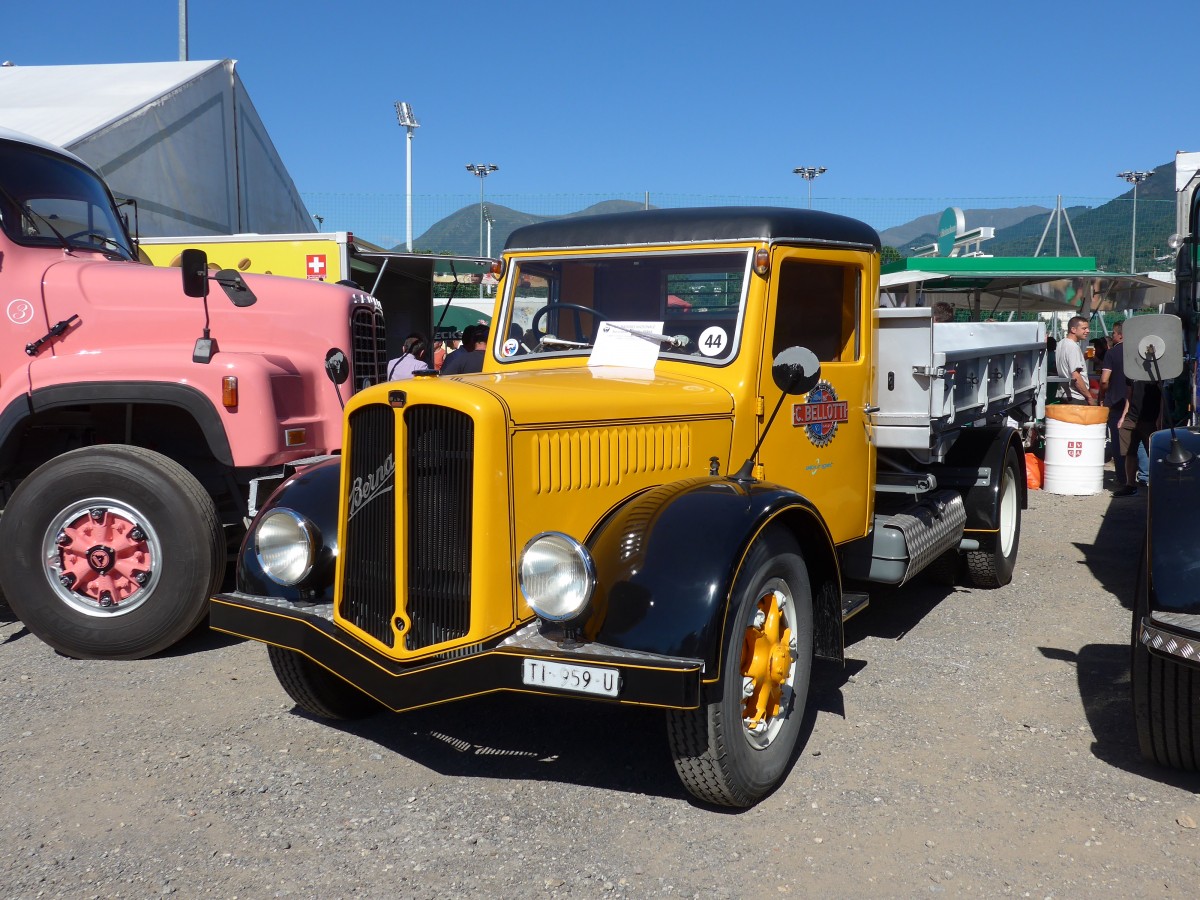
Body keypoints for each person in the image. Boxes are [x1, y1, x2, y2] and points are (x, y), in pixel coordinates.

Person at [1115, 374, 1162, 497]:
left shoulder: (1158, 371)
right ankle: (1130, 485)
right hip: (1132, 417)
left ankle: (1156, 486)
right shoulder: (1131, 371)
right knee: (1129, 453)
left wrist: (1159, 420)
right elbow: (1129, 395)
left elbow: (1163, 397)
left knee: (1154, 454)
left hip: (1150, 419)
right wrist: (1123, 417)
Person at [1099, 320, 1128, 491]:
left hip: (1116, 401)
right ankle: (1144, 475)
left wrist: (1104, 395)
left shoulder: (1112, 354)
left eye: (1114, 333)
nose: (1112, 335)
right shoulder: (1138, 351)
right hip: (1135, 401)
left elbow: (1104, 380)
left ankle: (1122, 477)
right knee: (1136, 441)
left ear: (1120, 334)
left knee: (1117, 441)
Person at [1055, 315, 1096, 404]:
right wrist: (1089, 397)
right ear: (1073, 329)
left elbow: (1068, 367)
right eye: (1084, 328)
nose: (1087, 331)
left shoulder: (1061, 343)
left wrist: (1084, 357)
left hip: (1064, 393)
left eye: (1087, 328)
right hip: (1075, 396)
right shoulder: (1073, 347)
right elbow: (1075, 376)